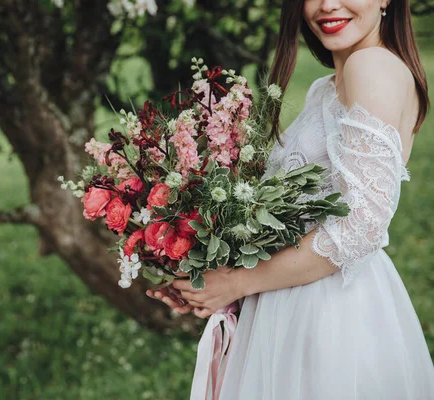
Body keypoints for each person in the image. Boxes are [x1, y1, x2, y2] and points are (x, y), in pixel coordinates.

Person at [147, 0, 434, 399]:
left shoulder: (371, 67)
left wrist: (237, 282)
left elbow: (361, 228)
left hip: (330, 313)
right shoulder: (328, 86)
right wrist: (205, 275)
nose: (327, 5)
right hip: (294, 296)